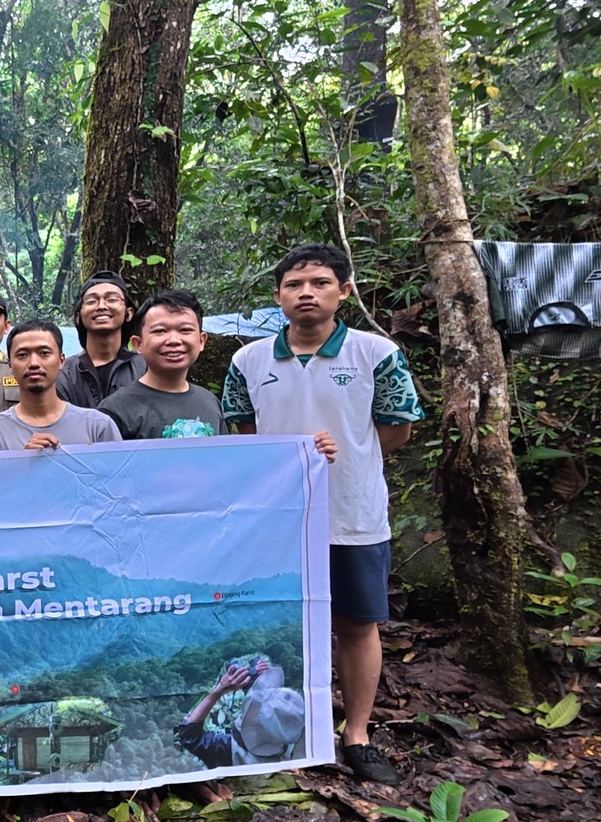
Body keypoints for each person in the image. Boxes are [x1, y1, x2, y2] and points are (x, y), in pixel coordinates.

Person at [221, 243, 423, 785]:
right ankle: (279, 733)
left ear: (344, 290)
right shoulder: (248, 361)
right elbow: (246, 435)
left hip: (351, 512)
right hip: (275, 519)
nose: (305, 293)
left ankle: (356, 734)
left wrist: (348, 453)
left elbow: (397, 430)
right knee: (279, 623)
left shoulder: (375, 353)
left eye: (318, 283)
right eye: (293, 285)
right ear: (277, 296)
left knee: (357, 623)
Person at [0, 319, 121, 450]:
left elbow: (117, 482)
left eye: (44, 353)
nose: (34, 363)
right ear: (10, 365)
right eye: (22, 355)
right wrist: (20, 462)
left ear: (61, 361)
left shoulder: (98, 427)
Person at [96, 290, 225, 439]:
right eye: (160, 331)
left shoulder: (210, 402)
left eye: (185, 330)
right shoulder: (115, 410)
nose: (174, 340)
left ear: (201, 341)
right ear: (138, 344)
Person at [176, 658, 305, 770]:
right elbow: (279, 713)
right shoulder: (292, 743)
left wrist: (218, 691)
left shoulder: (228, 751)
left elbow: (189, 735)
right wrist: (261, 679)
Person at [57, 272, 146, 408]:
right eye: (92, 301)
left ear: (129, 313)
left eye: (112, 299)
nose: (102, 306)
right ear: (78, 317)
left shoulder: (146, 367)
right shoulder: (63, 374)